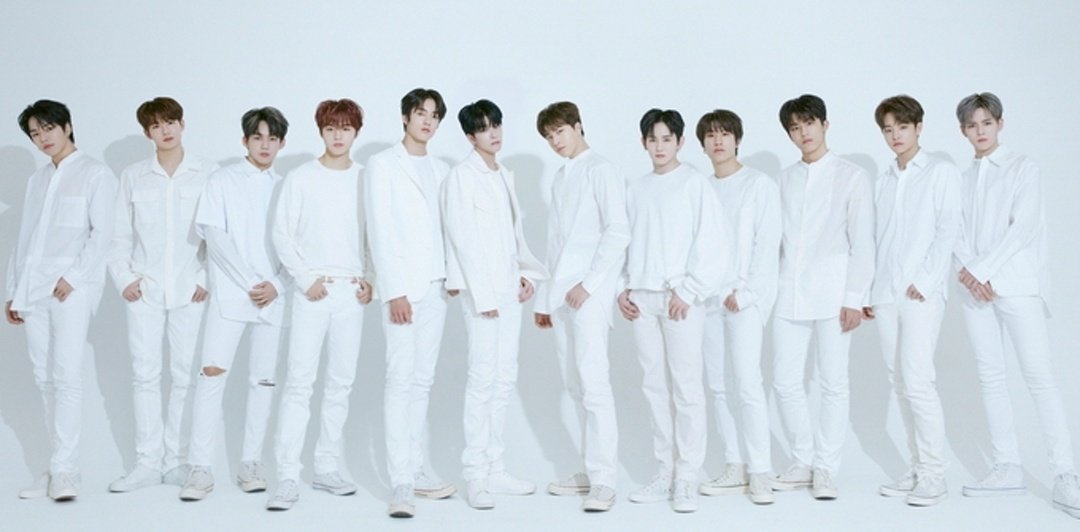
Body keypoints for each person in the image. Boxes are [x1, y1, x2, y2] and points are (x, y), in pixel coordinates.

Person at [953, 92, 1080, 520]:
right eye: (972, 125)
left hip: (1018, 286)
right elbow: (955, 231)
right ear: (963, 131)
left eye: (986, 123)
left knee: (1040, 378)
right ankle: (1007, 466)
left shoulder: (1024, 168)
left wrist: (983, 270)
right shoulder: (963, 178)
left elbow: (1023, 227)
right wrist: (972, 274)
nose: (980, 131)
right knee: (990, 376)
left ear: (1000, 124)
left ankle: (1065, 474)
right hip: (975, 292)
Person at [617, 108, 728, 513]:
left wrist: (690, 289)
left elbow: (713, 243)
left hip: (679, 298)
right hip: (642, 299)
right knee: (653, 386)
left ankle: (687, 476)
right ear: (643, 143)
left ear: (680, 142)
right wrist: (623, 287)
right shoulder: (636, 189)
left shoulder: (695, 184)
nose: (660, 146)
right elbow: (625, 241)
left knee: (686, 387)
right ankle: (665, 471)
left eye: (667, 139)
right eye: (653, 139)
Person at [265, 99, 374, 511]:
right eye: (331, 128)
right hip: (313, 291)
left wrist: (371, 279)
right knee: (299, 383)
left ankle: (326, 466)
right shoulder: (301, 177)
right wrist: (306, 279)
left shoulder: (366, 179)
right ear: (321, 131)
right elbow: (282, 233)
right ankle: (287, 475)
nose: (338, 135)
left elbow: (374, 234)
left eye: (345, 128)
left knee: (340, 384)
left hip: (351, 293)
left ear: (356, 132)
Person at [7, 100, 117, 501]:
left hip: (71, 289)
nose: (43, 139)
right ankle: (55, 467)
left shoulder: (95, 173)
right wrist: (13, 291)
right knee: (44, 379)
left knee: (67, 376)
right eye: (35, 134)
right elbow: (25, 239)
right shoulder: (38, 180)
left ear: (67, 126)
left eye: (48, 129)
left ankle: (67, 471)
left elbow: (102, 233)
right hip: (33, 290)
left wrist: (73, 277)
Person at [179, 107, 290, 501]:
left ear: (281, 143)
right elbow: (215, 235)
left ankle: (250, 462)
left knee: (263, 381)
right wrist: (250, 283)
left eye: (272, 138)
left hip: (273, 298)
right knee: (211, 376)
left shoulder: (286, 186)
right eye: (258, 137)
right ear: (245, 140)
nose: (265, 145)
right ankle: (199, 467)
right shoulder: (222, 180)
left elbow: (295, 244)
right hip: (230, 295)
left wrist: (276, 284)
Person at [107, 97, 217, 493]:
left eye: (170, 122)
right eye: (156, 125)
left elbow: (218, 234)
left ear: (182, 123)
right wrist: (125, 278)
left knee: (186, 376)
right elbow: (118, 233)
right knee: (145, 376)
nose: (165, 130)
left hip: (191, 290)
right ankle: (147, 463)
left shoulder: (208, 173)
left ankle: (178, 461)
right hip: (145, 290)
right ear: (147, 133)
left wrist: (205, 277)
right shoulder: (133, 176)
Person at [442, 99, 548, 510]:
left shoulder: (504, 174)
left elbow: (511, 236)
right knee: (482, 380)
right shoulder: (461, 176)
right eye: (484, 128)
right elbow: (462, 239)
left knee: (504, 379)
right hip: (481, 295)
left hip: (508, 289)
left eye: (496, 125)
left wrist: (525, 275)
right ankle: (475, 475)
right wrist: (483, 296)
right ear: (470, 136)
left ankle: (495, 468)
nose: (493, 133)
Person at [771, 94, 874, 500]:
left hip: (834, 294)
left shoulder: (852, 176)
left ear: (825, 124)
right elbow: (777, 242)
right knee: (785, 381)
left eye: (809, 124)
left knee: (833, 382)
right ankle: (803, 460)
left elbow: (862, 242)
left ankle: (826, 468)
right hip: (788, 292)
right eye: (795, 128)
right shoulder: (784, 179)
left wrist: (855, 296)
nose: (803, 133)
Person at [863, 95, 960, 507]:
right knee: (899, 383)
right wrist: (868, 291)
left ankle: (935, 474)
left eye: (902, 127)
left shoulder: (940, 171)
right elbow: (876, 239)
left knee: (918, 382)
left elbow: (948, 228)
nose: (895, 136)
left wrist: (927, 279)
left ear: (918, 127)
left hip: (921, 293)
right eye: (888, 129)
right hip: (885, 293)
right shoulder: (884, 179)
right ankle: (918, 467)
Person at [534, 101, 630, 512]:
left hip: (589, 294)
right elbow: (555, 243)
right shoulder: (561, 176)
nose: (556, 141)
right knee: (574, 385)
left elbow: (618, 231)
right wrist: (545, 298)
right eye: (549, 136)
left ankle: (605, 480)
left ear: (577, 126)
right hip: (561, 296)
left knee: (594, 384)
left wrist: (588, 285)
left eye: (560, 131)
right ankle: (590, 470)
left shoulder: (602, 169)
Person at [365, 88, 455, 518]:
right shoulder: (382, 164)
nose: (427, 121)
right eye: (420, 113)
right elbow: (379, 228)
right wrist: (394, 289)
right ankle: (400, 481)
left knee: (422, 382)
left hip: (437, 286)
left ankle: (416, 469)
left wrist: (453, 278)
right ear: (405, 117)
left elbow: (449, 227)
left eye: (434, 115)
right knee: (399, 381)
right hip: (403, 289)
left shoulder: (442, 169)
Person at [694, 109, 780, 505]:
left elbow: (767, 244)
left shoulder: (758, 185)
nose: (718, 141)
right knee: (717, 385)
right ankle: (735, 464)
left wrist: (745, 293)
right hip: (707, 299)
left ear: (737, 140)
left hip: (744, 300)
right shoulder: (701, 188)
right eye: (711, 135)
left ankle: (760, 470)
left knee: (747, 383)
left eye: (725, 134)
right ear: (702, 144)